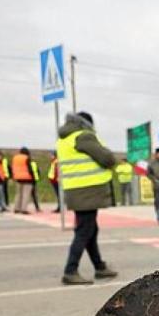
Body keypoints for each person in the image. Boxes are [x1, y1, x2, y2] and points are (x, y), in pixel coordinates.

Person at [56, 111, 118, 285]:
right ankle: (70, 270)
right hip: (88, 191)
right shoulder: (83, 136)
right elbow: (107, 158)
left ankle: (99, 267)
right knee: (84, 232)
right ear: (86, 123)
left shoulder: (64, 139)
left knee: (90, 230)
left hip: (76, 190)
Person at [11, 147, 35, 214]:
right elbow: (29, 168)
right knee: (26, 194)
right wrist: (33, 177)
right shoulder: (26, 158)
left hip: (18, 178)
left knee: (18, 194)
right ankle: (24, 209)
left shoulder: (15, 158)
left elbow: (12, 167)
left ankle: (16, 208)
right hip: (27, 178)